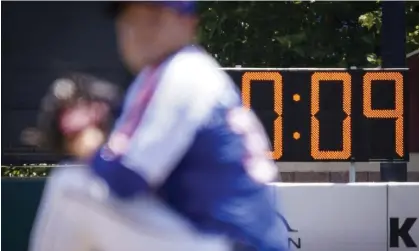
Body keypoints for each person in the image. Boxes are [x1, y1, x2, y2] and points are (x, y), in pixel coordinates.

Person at [31, 1, 289, 251]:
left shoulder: (183, 74)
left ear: (189, 24)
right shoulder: (163, 74)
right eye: (129, 20)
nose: (138, 30)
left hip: (226, 242)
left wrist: (88, 146)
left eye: (153, 18)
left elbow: (126, 180)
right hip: (213, 236)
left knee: (69, 187)